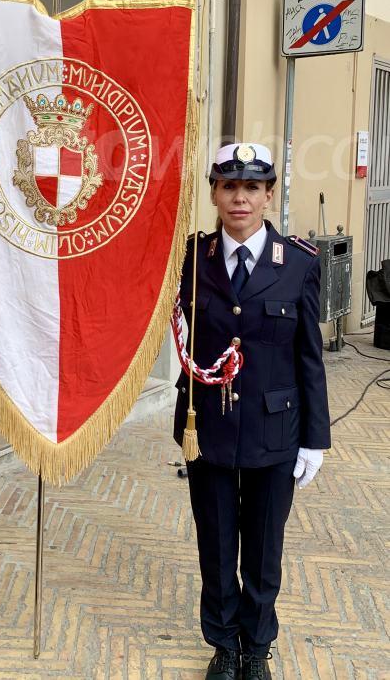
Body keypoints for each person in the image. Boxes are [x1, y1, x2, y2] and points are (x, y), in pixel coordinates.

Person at [174, 143, 330, 680]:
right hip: (209, 427)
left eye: (252, 188)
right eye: (228, 186)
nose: (240, 197)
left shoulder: (299, 264)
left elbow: (309, 355)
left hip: (274, 428)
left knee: (264, 549)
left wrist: (316, 438)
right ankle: (223, 644)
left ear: (268, 195)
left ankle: (257, 647)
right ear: (215, 193)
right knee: (216, 544)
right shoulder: (192, 260)